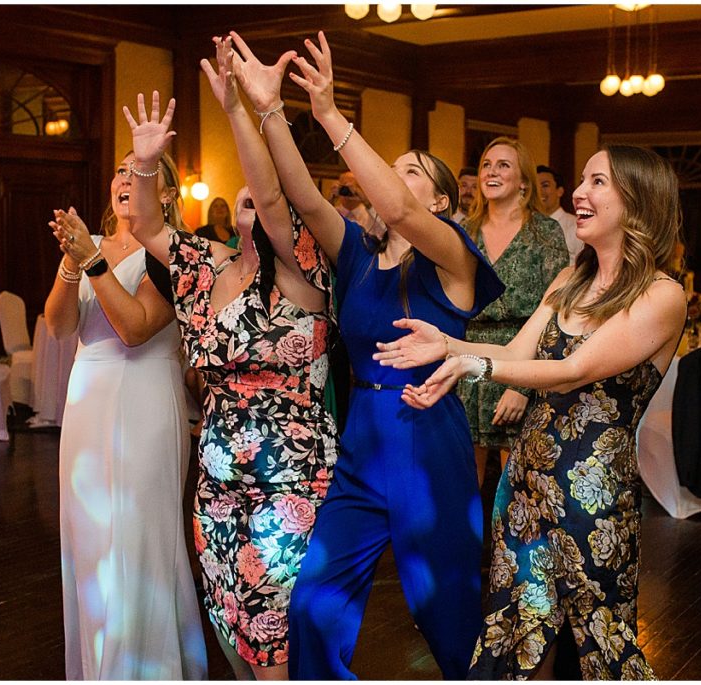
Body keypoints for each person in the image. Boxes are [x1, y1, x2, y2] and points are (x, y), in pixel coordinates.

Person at [227, 30, 504, 679]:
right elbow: (299, 195)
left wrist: (329, 112)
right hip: (362, 447)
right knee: (313, 607)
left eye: (410, 168)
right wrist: (268, 110)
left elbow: (401, 209)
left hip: (429, 444)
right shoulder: (354, 253)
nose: (391, 178)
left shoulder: (453, 259)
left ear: (440, 200)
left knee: (450, 619)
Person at [374, 145, 686, 680]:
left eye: (598, 183)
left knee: (602, 644)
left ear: (638, 201)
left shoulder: (662, 295)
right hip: (525, 486)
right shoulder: (570, 280)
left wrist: (471, 364)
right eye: (583, 180)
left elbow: (573, 370)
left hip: (593, 503)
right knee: (516, 634)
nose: (580, 194)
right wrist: (448, 344)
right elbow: (518, 353)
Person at [125, 69, 339, 679]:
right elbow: (146, 227)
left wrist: (237, 108)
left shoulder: (305, 276)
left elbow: (272, 199)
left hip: (291, 482)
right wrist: (144, 164)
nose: (254, 193)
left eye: (266, 193)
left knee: (272, 631)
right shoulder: (202, 266)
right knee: (230, 623)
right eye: (244, 187)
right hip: (216, 480)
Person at [45, 152, 207, 679]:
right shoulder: (89, 245)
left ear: (163, 195)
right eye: (117, 170)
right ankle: (99, 666)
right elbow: (59, 326)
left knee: (140, 534)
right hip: (87, 399)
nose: (123, 179)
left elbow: (135, 328)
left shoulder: (176, 254)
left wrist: (91, 260)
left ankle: (149, 667)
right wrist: (73, 264)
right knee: (90, 535)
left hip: (146, 398)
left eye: (138, 173)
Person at [460, 139, 569, 488]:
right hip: (469, 353)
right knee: (464, 474)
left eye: (503, 165)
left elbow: (556, 311)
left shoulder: (544, 231)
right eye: (486, 165)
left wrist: (522, 385)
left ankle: (509, 544)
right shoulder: (465, 232)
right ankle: (466, 543)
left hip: (523, 354)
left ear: (524, 180)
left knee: (516, 478)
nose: (492, 171)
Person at [537, 164, 583, 265]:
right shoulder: (527, 226)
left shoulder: (576, 226)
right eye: (535, 186)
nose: (539, 191)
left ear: (560, 191)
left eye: (545, 185)